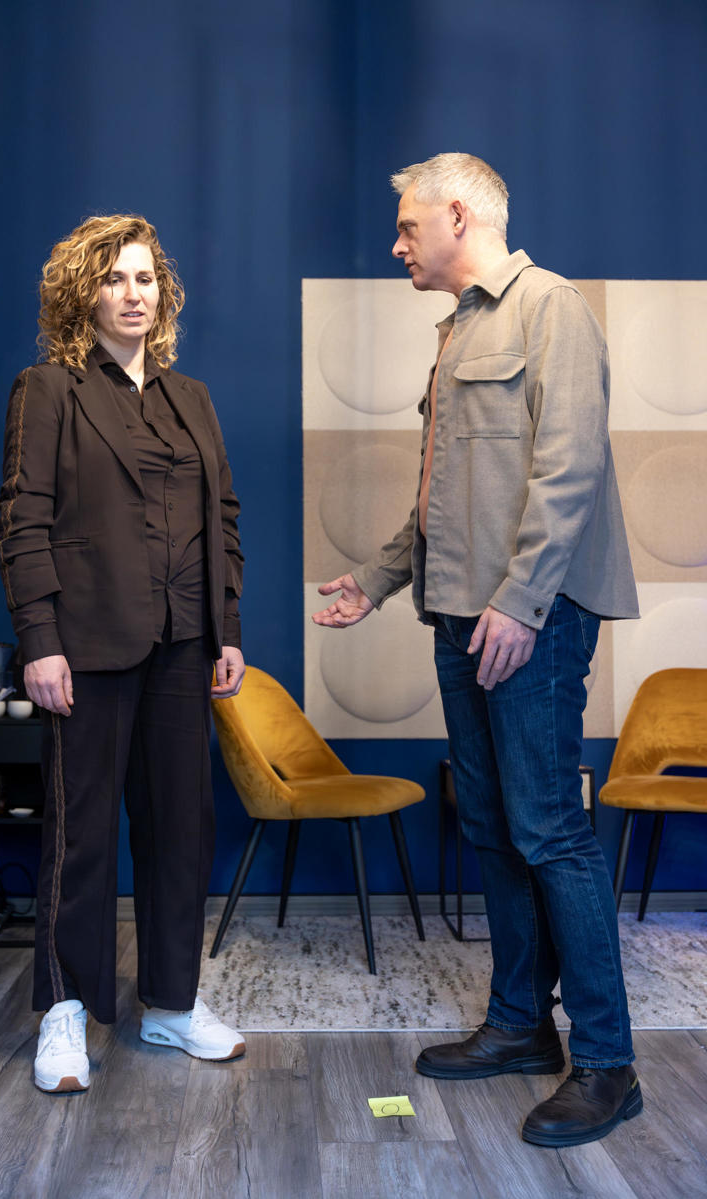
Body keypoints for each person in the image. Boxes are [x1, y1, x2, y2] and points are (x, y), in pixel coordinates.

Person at [313, 153, 642, 1148]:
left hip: (529, 622)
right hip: (459, 619)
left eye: (408, 227)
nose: (396, 245)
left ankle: (607, 1063)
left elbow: (568, 469)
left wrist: (522, 601)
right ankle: (518, 1023)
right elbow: (442, 498)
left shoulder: (550, 309)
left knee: (550, 830)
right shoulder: (455, 332)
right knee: (493, 826)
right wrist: (376, 578)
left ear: (458, 215)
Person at [0, 214, 246, 1093]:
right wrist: (39, 640)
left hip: (184, 644)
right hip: (88, 645)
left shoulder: (192, 399)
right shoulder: (48, 389)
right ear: (84, 293)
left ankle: (172, 1004)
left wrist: (226, 628)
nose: (133, 294)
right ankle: (64, 1011)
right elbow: (23, 521)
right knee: (82, 834)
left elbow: (223, 519)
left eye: (145, 279)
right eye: (114, 279)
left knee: (182, 830)